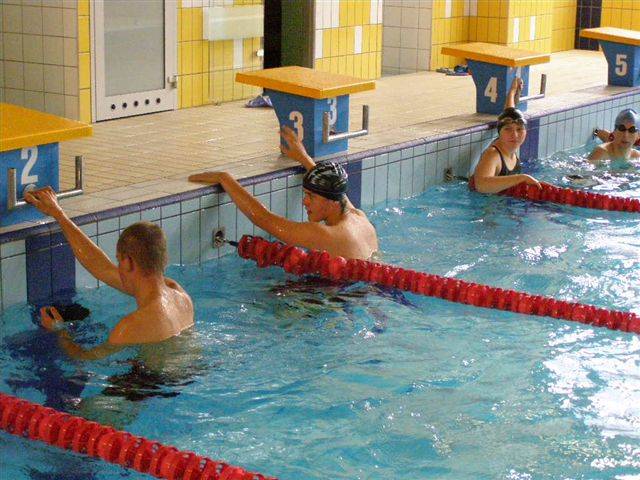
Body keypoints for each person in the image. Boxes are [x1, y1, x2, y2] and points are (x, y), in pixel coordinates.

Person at [24, 187, 194, 360]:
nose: (117, 267)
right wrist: (58, 214)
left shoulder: (131, 327)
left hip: (149, 377)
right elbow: (103, 268)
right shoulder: (180, 296)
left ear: (128, 262)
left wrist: (60, 331)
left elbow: (85, 359)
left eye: (119, 260)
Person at [188, 127, 379, 260]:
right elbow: (335, 189)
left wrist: (225, 178)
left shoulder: (324, 235)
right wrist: (303, 157)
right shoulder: (358, 218)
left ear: (331, 202)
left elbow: (263, 219)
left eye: (311, 197)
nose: (305, 202)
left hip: (341, 297)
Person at [469, 78, 542, 193]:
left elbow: (509, 111)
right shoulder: (493, 155)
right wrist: (521, 178)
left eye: (519, 129)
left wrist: (513, 91)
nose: (515, 135)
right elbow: (481, 185)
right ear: (500, 132)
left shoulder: (509, 146)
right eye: (508, 129)